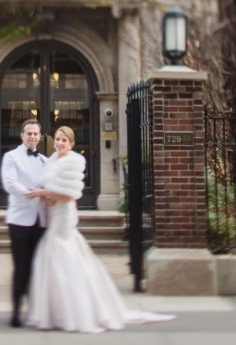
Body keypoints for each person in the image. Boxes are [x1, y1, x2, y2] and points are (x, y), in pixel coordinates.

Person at [25, 126, 175, 333]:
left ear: (72, 144)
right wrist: (45, 197)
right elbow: (52, 195)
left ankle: (75, 310)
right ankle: (56, 311)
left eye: (64, 140)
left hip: (65, 218)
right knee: (53, 259)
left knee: (65, 259)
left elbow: (70, 195)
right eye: (58, 139)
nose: (59, 143)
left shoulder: (74, 162)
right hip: (53, 216)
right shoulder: (51, 161)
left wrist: (45, 192)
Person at [0, 118, 48, 328]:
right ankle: (16, 311)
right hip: (19, 221)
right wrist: (37, 193)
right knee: (21, 267)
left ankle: (35, 310)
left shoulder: (45, 161)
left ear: (40, 136)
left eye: (35, 134)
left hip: (41, 221)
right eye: (29, 133)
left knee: (38, 267)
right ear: (22, 136)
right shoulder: (11, 157)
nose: (32, 137)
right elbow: (10, 184)